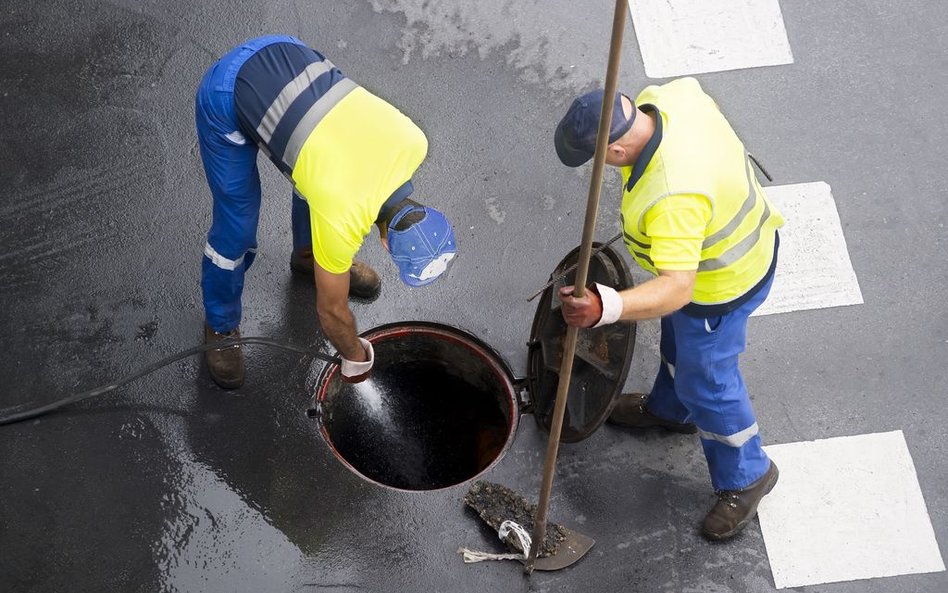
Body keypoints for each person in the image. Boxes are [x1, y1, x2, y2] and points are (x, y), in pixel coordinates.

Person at [553, 77, 784, 540]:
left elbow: (677, 290)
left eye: (599, 158)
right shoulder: (668, 98)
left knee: (709, 382)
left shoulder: (672, 196)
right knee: (678, 344)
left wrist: (605, 306)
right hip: (740, 245)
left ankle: (747, 475)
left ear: (616, 151)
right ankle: (670, 410)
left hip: (721, 285)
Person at [195, 35, 456, 389]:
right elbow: (331, 313)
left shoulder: (414, 142)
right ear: (384, 244)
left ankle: (308, 256)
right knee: (236, 227)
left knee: (318, 175)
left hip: (289, 53)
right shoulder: (341, 216)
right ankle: (220, 323)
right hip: (227, 92)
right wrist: (355, 357)